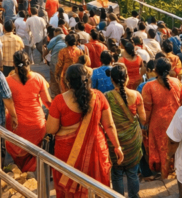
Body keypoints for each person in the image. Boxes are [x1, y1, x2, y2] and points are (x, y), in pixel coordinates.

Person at [45, 64, 123, 198]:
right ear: (87, 79)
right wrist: (117, 146)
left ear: (67, 81)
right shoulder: (99, 97)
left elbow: (51, 129)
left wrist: (67, 128)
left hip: (67, 153)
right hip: (96, 150)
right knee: (97, 187)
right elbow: (109, 125)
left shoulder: (59, 101)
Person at [4, 50, 53, 172]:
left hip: (17, 125)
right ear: (29, 62)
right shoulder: (38, 78)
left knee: (18, 152)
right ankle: (31, 172)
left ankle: (22, 172)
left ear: (13, 64)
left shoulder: (7, 81)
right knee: (35, 153)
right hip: (37, 125)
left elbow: (5, 103)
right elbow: (47, 102)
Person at [144, 58, 182, 177]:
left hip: (157, 123)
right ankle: (175, 172)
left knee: (161, 148)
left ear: (155, 70)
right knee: (176, 147)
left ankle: (164, 173)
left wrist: (144, 124)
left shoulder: (149, 86)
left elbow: (147, 110)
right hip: (176, 121)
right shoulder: (177, 82)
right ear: (170, 69)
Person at [108, 64, 146, 198]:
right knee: (132, 173)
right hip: (133, 140)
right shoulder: (136, 95)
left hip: (115, 142)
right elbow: (143, 120)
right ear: (127, 78)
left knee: (117, 174)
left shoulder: (107, 97)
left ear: (112, 80)